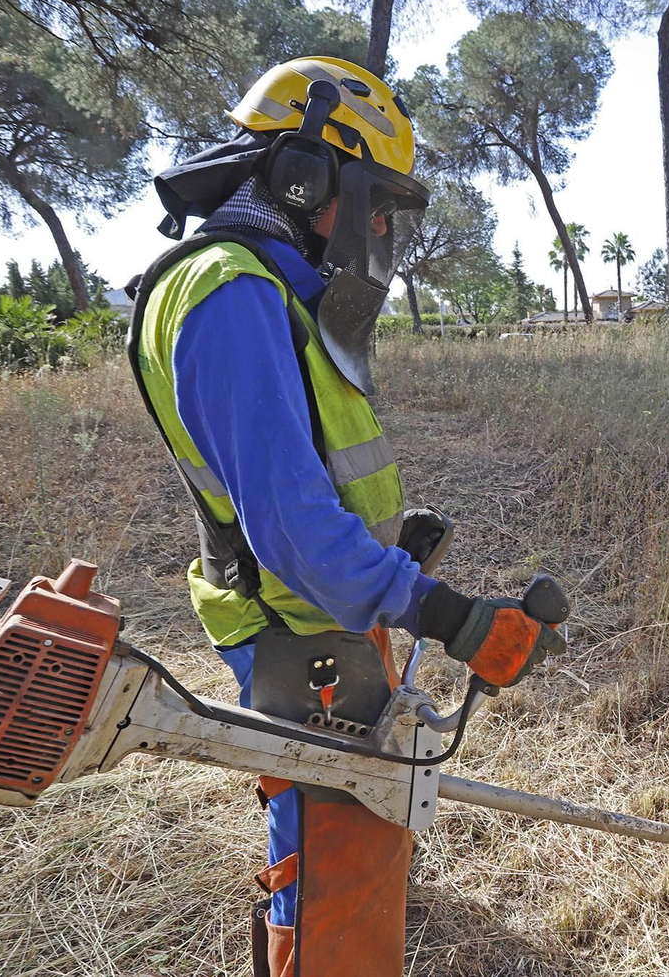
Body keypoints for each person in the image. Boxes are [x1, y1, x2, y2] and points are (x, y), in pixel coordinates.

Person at [125, 56, 566, 977]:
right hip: (301, 628)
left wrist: (387, 553)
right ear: (304, 176)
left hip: (322, 611)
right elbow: (287, 527)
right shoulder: (230, 292)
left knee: (339, 827)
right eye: (370, 203)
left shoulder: (258, 284)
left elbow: (298, 478)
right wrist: (451, 615)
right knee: (338, 867)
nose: (374, 229)